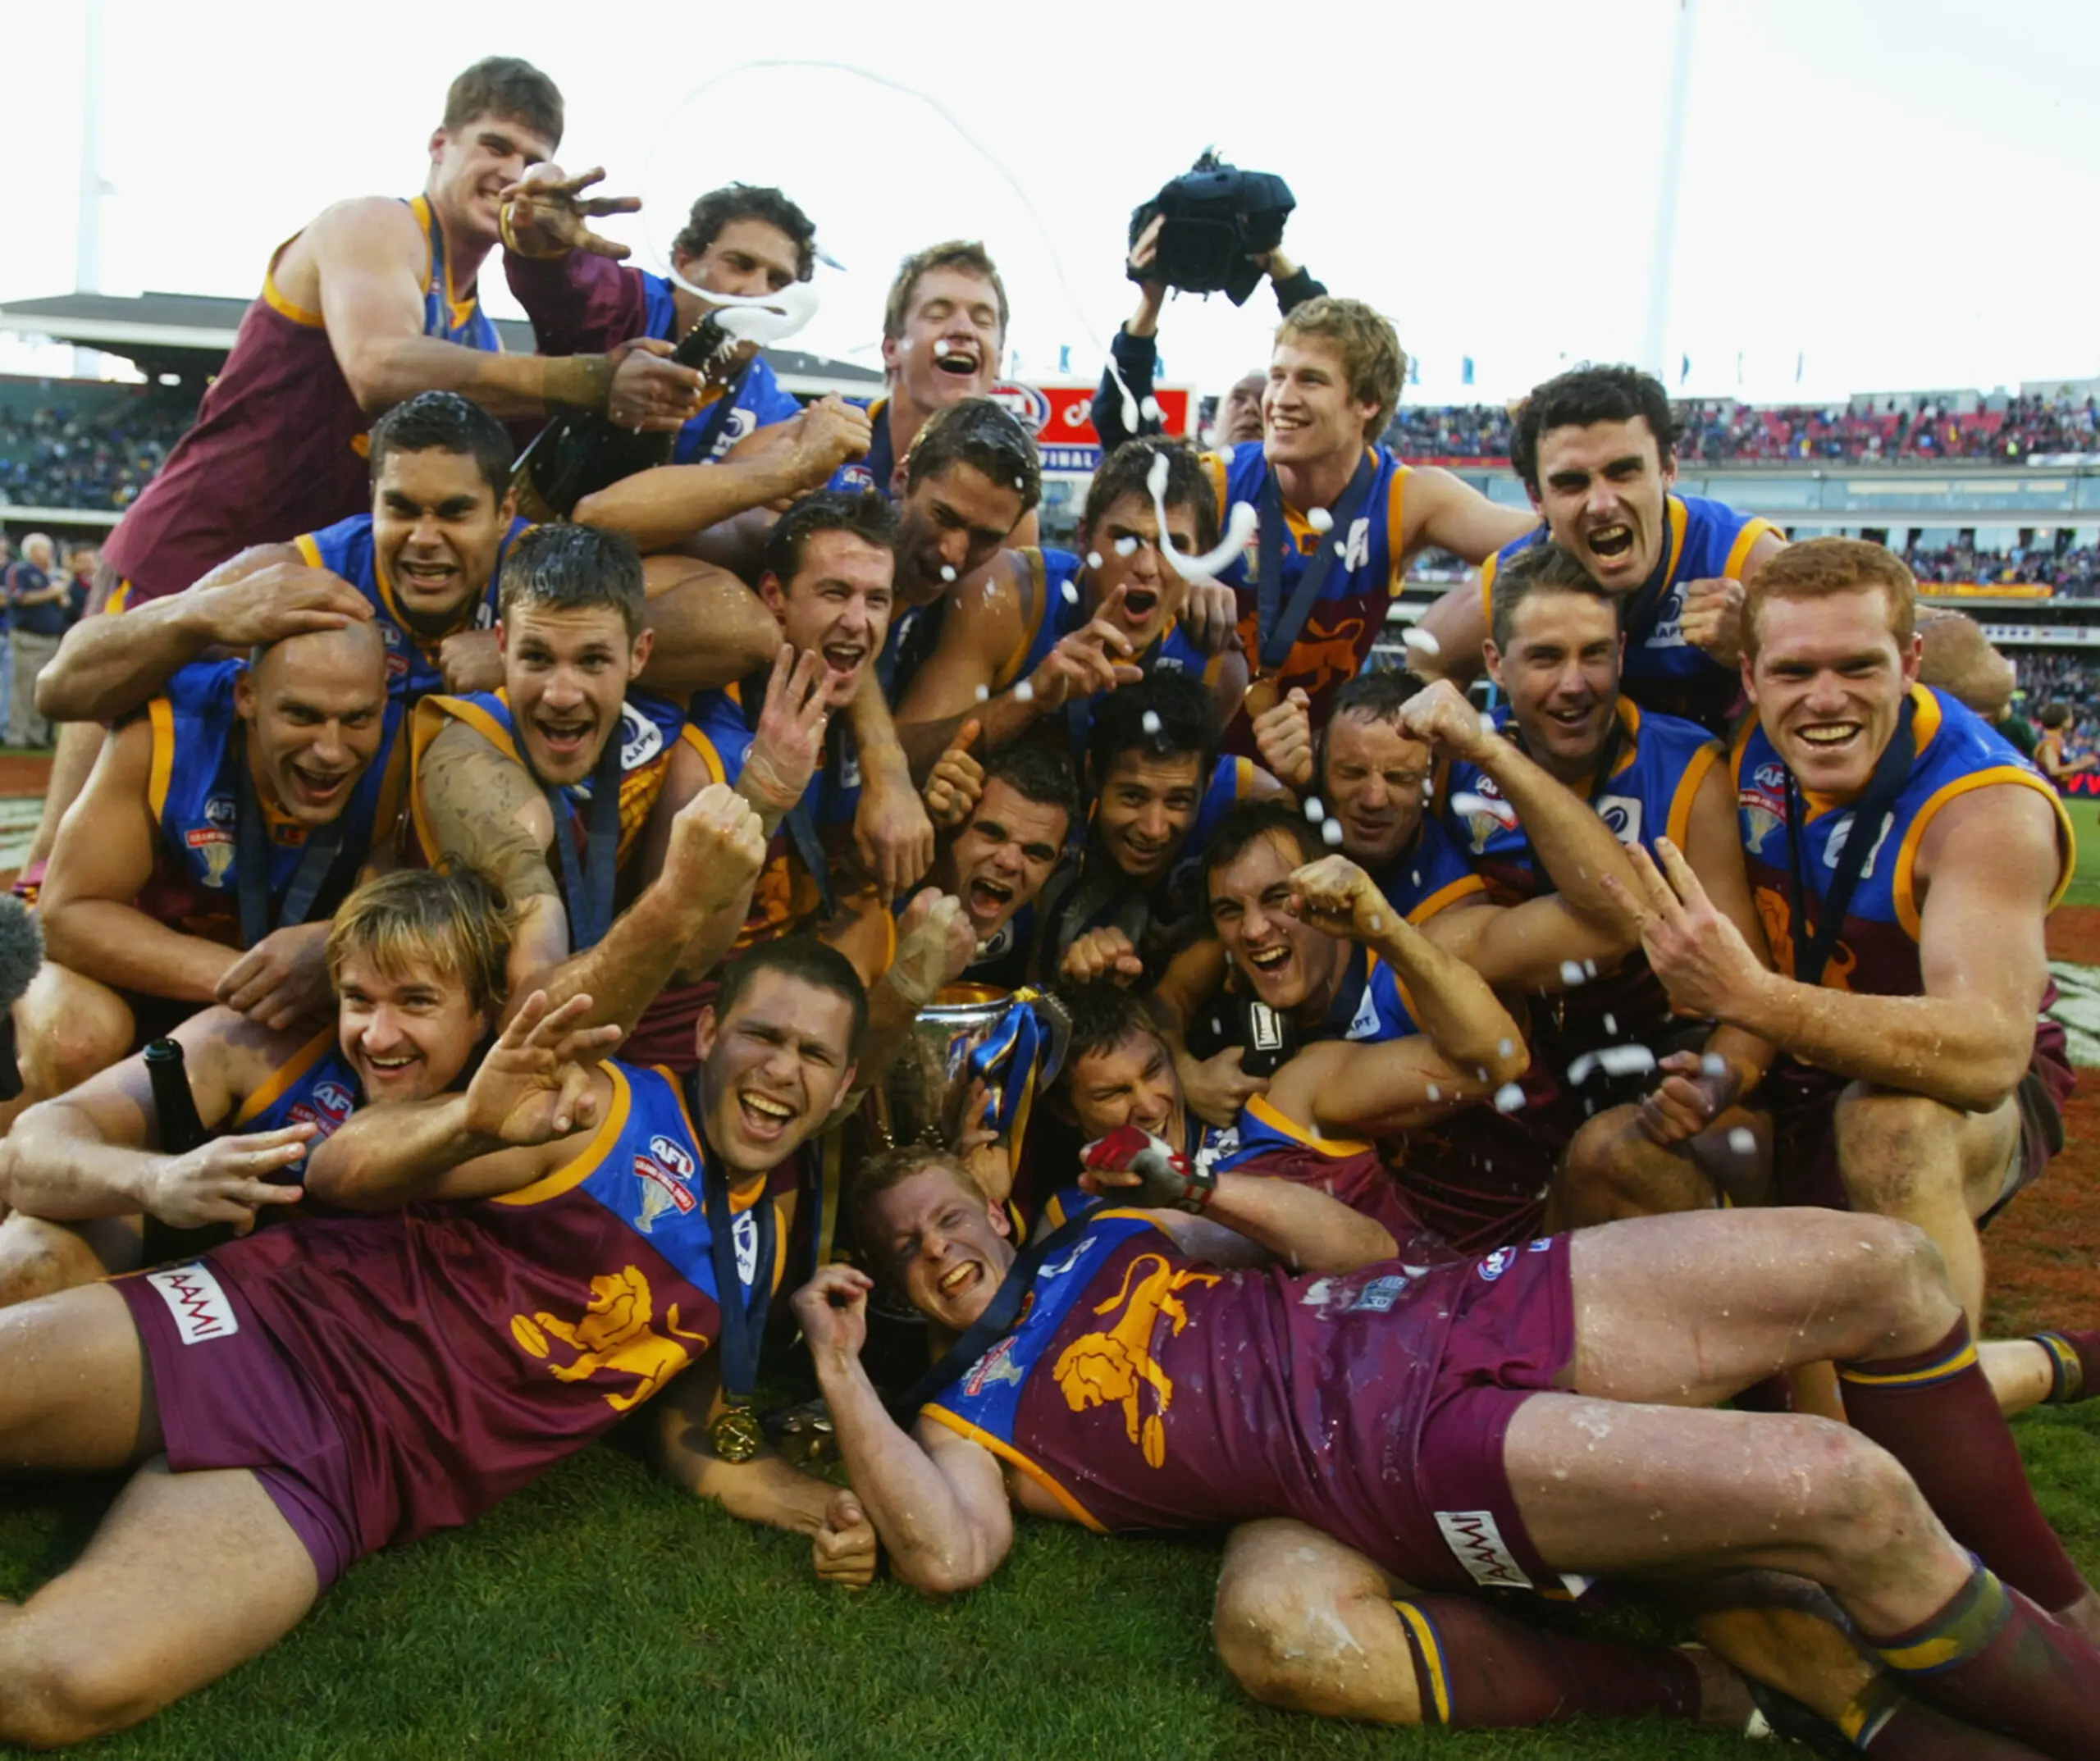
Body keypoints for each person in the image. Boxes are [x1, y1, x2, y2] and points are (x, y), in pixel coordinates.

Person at [806, 1152, 2100, 1756]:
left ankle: (2064, 1616)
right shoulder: (966, 1406)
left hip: (1445, 1303)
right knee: (1841, 1487)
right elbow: (947, 1551)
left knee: (1885, 1264)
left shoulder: (1108, 1233)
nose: (939, 1246)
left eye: (950, 1215)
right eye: (909, 1244)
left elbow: (1357, 1254)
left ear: (995, 1205)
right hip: (1381, 1446)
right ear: (906, 1292)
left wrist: (1200, 1177)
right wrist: (838, 1364)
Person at [0, 929, 884, 1749]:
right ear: (704, 1034)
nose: (779, 1069)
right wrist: (467, 1120)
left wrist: (822, 1509)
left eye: (812, 1054)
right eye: (761, 1035)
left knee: (54, 1686)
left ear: (844, 1086)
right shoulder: (604, 1107)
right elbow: (349, 1161)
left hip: (341, 1475)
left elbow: (693, 1435)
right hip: (266, 1323)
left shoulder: (759, 1251)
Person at [1585, 539, 2075, 1329]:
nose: (1824, 699)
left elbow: (1988, 1051)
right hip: (1795, 1054)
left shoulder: (1985, 807)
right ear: (1750, 678)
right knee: (1614, 1153)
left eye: (1858, 667)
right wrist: (1720, 1075)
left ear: (1911, 663)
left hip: (1948, 1085)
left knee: (1890, 1128)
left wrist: (1755, 1000)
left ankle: (1937, 1417)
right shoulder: (1745, 749)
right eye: (1793, 672)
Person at [12, 620, 400, 1135]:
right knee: (76, 1038)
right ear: (247, 696)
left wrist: (332, 944)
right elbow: (66, 918)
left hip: (257, 974)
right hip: (115, 955)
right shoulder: (171, 730)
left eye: (356, 719)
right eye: (301, 715)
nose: (330, 750)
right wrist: (252, 981)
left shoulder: (411, 750)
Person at [1439, 542, 1768, 1143]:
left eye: (1593, 654)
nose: (1573, 684)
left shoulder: (1689, 769)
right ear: (1494, 662)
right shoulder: (1449, 765)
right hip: (1505, 1055)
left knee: (1731, 1149)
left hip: (1652, 1053)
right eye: (1544, 657)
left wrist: (1716, 1081)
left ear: (1621, 653)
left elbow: (1751, 987)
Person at [1194, 297, 1536, 744]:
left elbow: (1548, 541)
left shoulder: (1404, 497)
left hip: (1310, 760)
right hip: (1194, 755)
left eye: (1310, 380)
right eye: (1278, 376)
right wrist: (1178, 572)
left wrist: (1545, 447)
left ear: (1368, 402)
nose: (1279, 399)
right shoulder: (1214, 478)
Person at [503, 179, 876, 554]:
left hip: (616, 574)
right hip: (502, 543)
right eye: (740, 265)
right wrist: (535, 227)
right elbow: (554, 275)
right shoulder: (625, 306)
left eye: (778, 281)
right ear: (685, 262)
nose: (758, 292)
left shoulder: (772, 410)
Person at [1412, 363, 1786, 734]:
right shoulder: (1512, 582)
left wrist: (1756, 644)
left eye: (1623, 472)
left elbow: (1834, 672)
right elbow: (1425, 665)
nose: (1602, 504)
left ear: (1668, 468)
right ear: (1536, 497)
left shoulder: (1740, 558)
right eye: (1572, 483)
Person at [894, 440, 1244, 771]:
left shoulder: (1218, 666)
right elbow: (901, 761)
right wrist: (1030, 700)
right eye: (1125, 539)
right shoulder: (1005, 596)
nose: (1147, 567)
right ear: (1083, 539)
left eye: (1174, 546)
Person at [1042, 673, 1285, 985]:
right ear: (1093, 775)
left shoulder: (1245, 792)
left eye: (1178, 801)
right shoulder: (1055, 825)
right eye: (1133, 797)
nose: (1154, 829)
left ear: (1207, 785)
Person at [1089, 212, 1327, 455]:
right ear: (1215, 422)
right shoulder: (1185, 485)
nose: (1251, 410)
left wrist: (1274, 259)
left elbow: (1334, 356)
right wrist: (1151, 301)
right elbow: (1121, 425)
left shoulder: (1309, 484)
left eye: (1266, 398)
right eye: (1239, 399)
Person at [916, 734, 1080, 988]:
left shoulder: (1032, 931)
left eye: (1035, 853)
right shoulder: (879, 907)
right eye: (991, 834)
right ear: (952, 825)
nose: (1011, 862)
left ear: (1056, 865)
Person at [4, 532, 68, 747]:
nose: (50, 553)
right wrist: (52, 592)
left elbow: (63, 603)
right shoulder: (20, 570)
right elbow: (19, 598)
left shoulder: (48, 574)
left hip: (50, 639)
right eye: (45, 548)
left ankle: (36, 736)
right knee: (22, 689)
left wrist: (57, 590)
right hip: (27, 638)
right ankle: (16, 736)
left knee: (41, 691)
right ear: (32, 551)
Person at [2035, 702, 2092, 787]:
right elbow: (2053, 770)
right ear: (2063, 721)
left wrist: (2081, 762)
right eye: (2070, 717)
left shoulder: (2059, 742)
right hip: (2046, 791)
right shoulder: (2050, 743)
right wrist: (2081, 765)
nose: (2073, 719)